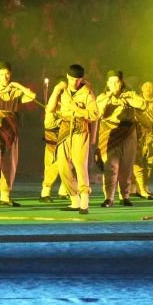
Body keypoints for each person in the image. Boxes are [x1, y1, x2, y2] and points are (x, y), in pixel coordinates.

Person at [0, 61, 37, 208]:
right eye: (2, 73)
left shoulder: (14, 89)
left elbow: (31, 96)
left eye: (7, 73)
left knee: (10, 164)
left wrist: (17, 86)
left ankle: (5, 197)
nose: (5, 76)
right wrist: (3, 92)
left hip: (11, 129)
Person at [52, 64, 100, 214]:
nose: (74, 82)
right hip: (65, 130)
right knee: (62, 166)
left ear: (82, 79)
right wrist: (55, 91)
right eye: (72, 79)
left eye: (77, 79)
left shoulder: (87, 93)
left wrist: (76, 110)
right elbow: (50, 109)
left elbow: (94, 114)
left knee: (80, 165)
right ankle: (74, 200)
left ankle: (84, 201)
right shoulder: (62, 91)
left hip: (80, 130)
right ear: (67, 77)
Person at [96, 70, 146, 207]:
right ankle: (109, 198)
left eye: (116, 82)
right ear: (107, 83)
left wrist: (128, 100)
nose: (114, 85)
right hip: (110, 132)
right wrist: (109, 98)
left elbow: (142, 105)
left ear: (121, 82)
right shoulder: (102, 97)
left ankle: (125, 196)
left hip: (128, 132)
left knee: (126, 166)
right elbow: (98, 112)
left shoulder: (129, 94)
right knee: (110, 167)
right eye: (111, 82)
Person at [132, 81, 153, 199]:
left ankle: (145, 187)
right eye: (145, 86)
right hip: (138, 134)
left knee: (149, 161)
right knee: (136, 161)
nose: (148, 88)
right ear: (141, 88)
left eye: (151, 86)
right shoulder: (136, 100)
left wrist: (149, 117)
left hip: (152, 134)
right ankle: (135, 187)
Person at [40, 76, 67, 202]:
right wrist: (62, 119)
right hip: (53, 139)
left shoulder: (70, 102)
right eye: (60, 89)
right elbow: (49, 125)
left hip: (68, 139)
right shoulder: (52, 104)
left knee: (69, 165)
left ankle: (64, 191)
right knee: (52, 165)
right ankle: (45, 192)